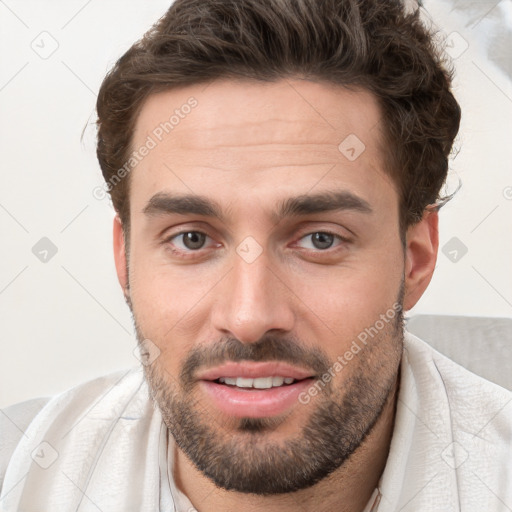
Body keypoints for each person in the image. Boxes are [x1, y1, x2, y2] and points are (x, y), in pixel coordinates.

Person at [1, 0, 511, 510]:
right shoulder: (19, 475)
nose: (248, 318)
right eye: (192, 239)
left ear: (416, 259)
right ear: (125, 260)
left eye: (320, 239)